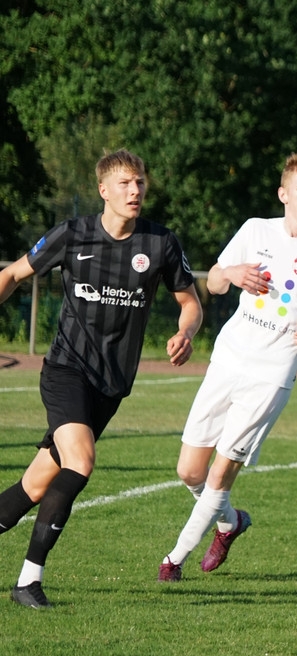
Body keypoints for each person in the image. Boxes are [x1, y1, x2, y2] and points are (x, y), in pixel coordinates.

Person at [0, 149, 203, 608]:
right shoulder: (73, 234)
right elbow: (13, 273)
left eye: (140, 183)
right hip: (66, 370)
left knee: (34, 485)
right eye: (126, 183)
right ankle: (28, 582)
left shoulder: (161, 243)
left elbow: (190, 302)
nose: (135, 191)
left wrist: (185, 332)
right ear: (103, 190)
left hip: (111, 385)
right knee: (81, 462)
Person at [157, 151, 297, 582]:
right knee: (189, 471)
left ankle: (173, 560)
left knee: (220, 472)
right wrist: (232, 273)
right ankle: (230, 522)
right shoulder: (254, 230)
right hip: (229, 359)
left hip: (273, 373)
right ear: (283, 194)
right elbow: (213, 281)